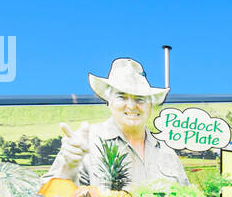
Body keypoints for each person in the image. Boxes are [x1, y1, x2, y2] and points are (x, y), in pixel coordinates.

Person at [47, 58, 188, 189]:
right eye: (122, 97)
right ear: (109, 102)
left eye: (140, 99)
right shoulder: (85, 142)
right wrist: (69, 167)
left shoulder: (166, 152)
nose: (132, 106)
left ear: (150, 106)